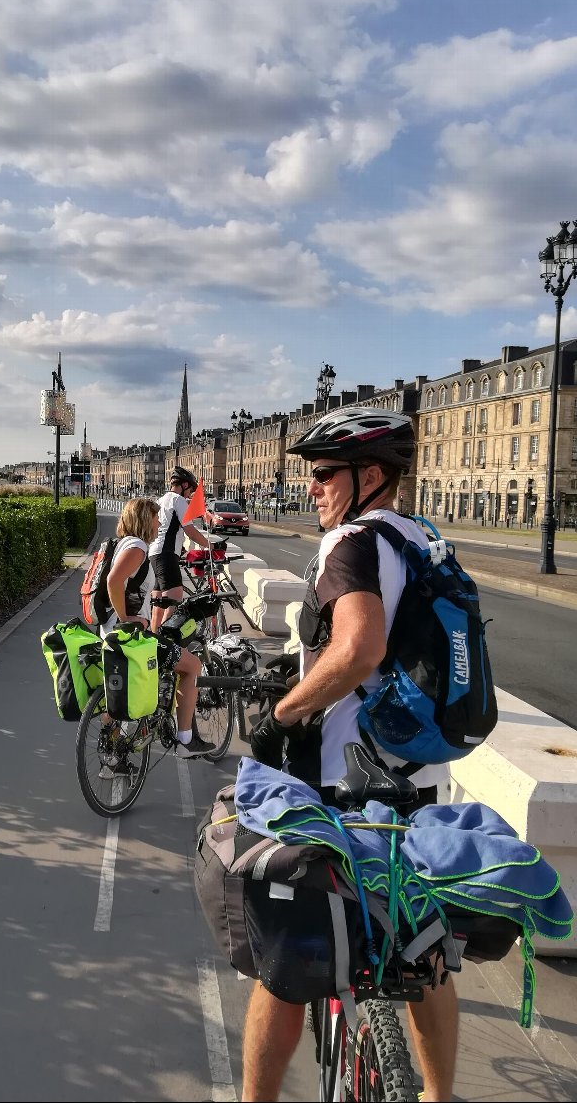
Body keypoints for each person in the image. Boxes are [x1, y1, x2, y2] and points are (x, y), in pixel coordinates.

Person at [241, 408, 458, 1103]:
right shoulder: (422, 539)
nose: (311, 487)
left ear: (369, 476)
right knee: (421, 953)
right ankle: (434, 1095)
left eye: (323, 473)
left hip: (340, 783)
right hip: (418, 777)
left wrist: (286, 709)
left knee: (279, 957)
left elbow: (357, 646)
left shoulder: (351, 543)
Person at [101, 497, 212, 760]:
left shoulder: (121, 543)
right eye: (155, 517)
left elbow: (130, 585)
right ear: (143, 519)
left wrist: (154, 601)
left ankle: (111, 749)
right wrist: (126, 617)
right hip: (129, 636)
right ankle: (185, 740)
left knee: (119, 693)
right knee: (192, 666)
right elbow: (114, 581)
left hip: (111, 632)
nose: (159, 521)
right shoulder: (138, 547)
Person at [149, 466, 219, 636]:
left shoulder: (162, 499)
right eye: (190, 491)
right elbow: (190, 531)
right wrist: (209, 545)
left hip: (154, 554)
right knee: (175, 597)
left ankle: (155, 639)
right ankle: (166, 643)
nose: (190, 495)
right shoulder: (178, 501)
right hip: (166, 554)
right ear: (185, 485)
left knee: (159, 603)